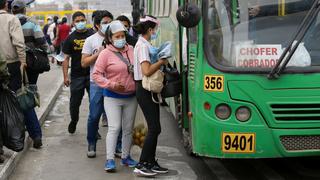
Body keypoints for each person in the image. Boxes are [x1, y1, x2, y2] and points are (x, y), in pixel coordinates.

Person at [92, 20, 138, 172]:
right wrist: (111, 84)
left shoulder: (131, 49)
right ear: (110, 38)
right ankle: (110, 160)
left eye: (122, 35)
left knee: (128, 128)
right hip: (112, 96)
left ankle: (126, 157)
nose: (120, 39)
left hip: (131, 96)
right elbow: (96, 75)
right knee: (114, 127)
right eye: (117, 36)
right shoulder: (105, 53)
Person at [132, 15, 169, 177]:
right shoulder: (142, 46)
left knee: (156, 128)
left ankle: (151, 162)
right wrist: (161, 61)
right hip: (144, 89)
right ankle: (141, 164)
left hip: (146, 89)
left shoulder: (144, 44)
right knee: (154, 128)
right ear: (149, 30)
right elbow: (146, 71)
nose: (155, 32)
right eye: (155, 30)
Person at [11, 0, 48, 149]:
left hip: (14, 65)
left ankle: (26, 129)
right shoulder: (32, 23)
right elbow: (43, 42)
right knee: (28, 94)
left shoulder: (10, 23)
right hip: (31, 64)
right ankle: (36, 134)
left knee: (17, 96)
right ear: (24, 10)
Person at [81, 10, 113, 158]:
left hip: (114, 83)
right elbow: (84, 62)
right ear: (97, 25)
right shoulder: (90, 40)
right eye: (105, 23)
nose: (108, 25)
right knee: (94, 116)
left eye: (110, 22)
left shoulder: (117, 38)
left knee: (116, 118)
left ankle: (117, 146)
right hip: (97, 84)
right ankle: (91, 142)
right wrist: (98, 54)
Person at [0, 0, 26, 160]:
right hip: (10, 66)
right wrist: (23, 61)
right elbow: (18, 42)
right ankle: (13, 137)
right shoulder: (12, 19)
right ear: (6, 5)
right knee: (14, 103)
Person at [62, 11, 93, 134]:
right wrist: (65, 76)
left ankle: (93, 128)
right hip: (76, 76)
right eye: (77, 21)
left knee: (95, 103)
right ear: (73, 23)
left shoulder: (92, 34)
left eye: (82, 20)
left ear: (86, 20)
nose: (80, 23)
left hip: (92, 74)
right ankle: (74, 120)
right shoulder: (70, 39)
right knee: (75, 103)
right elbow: (66, 59)